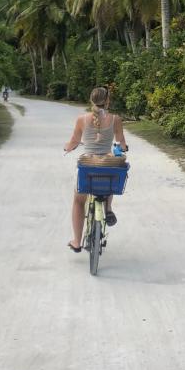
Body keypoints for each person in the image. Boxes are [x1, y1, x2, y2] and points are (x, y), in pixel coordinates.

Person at [63, 86, 128, 253]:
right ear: (107, 101)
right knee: (111, 172)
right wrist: (123, 147)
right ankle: (107, 209)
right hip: (107, 164)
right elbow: (121, 141)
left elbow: (74, 141)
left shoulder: (81, 119)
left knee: (79, 201)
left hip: (88, 165)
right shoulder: (116, 119)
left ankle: (77, 242)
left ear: (91, 100)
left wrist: (68, 147)